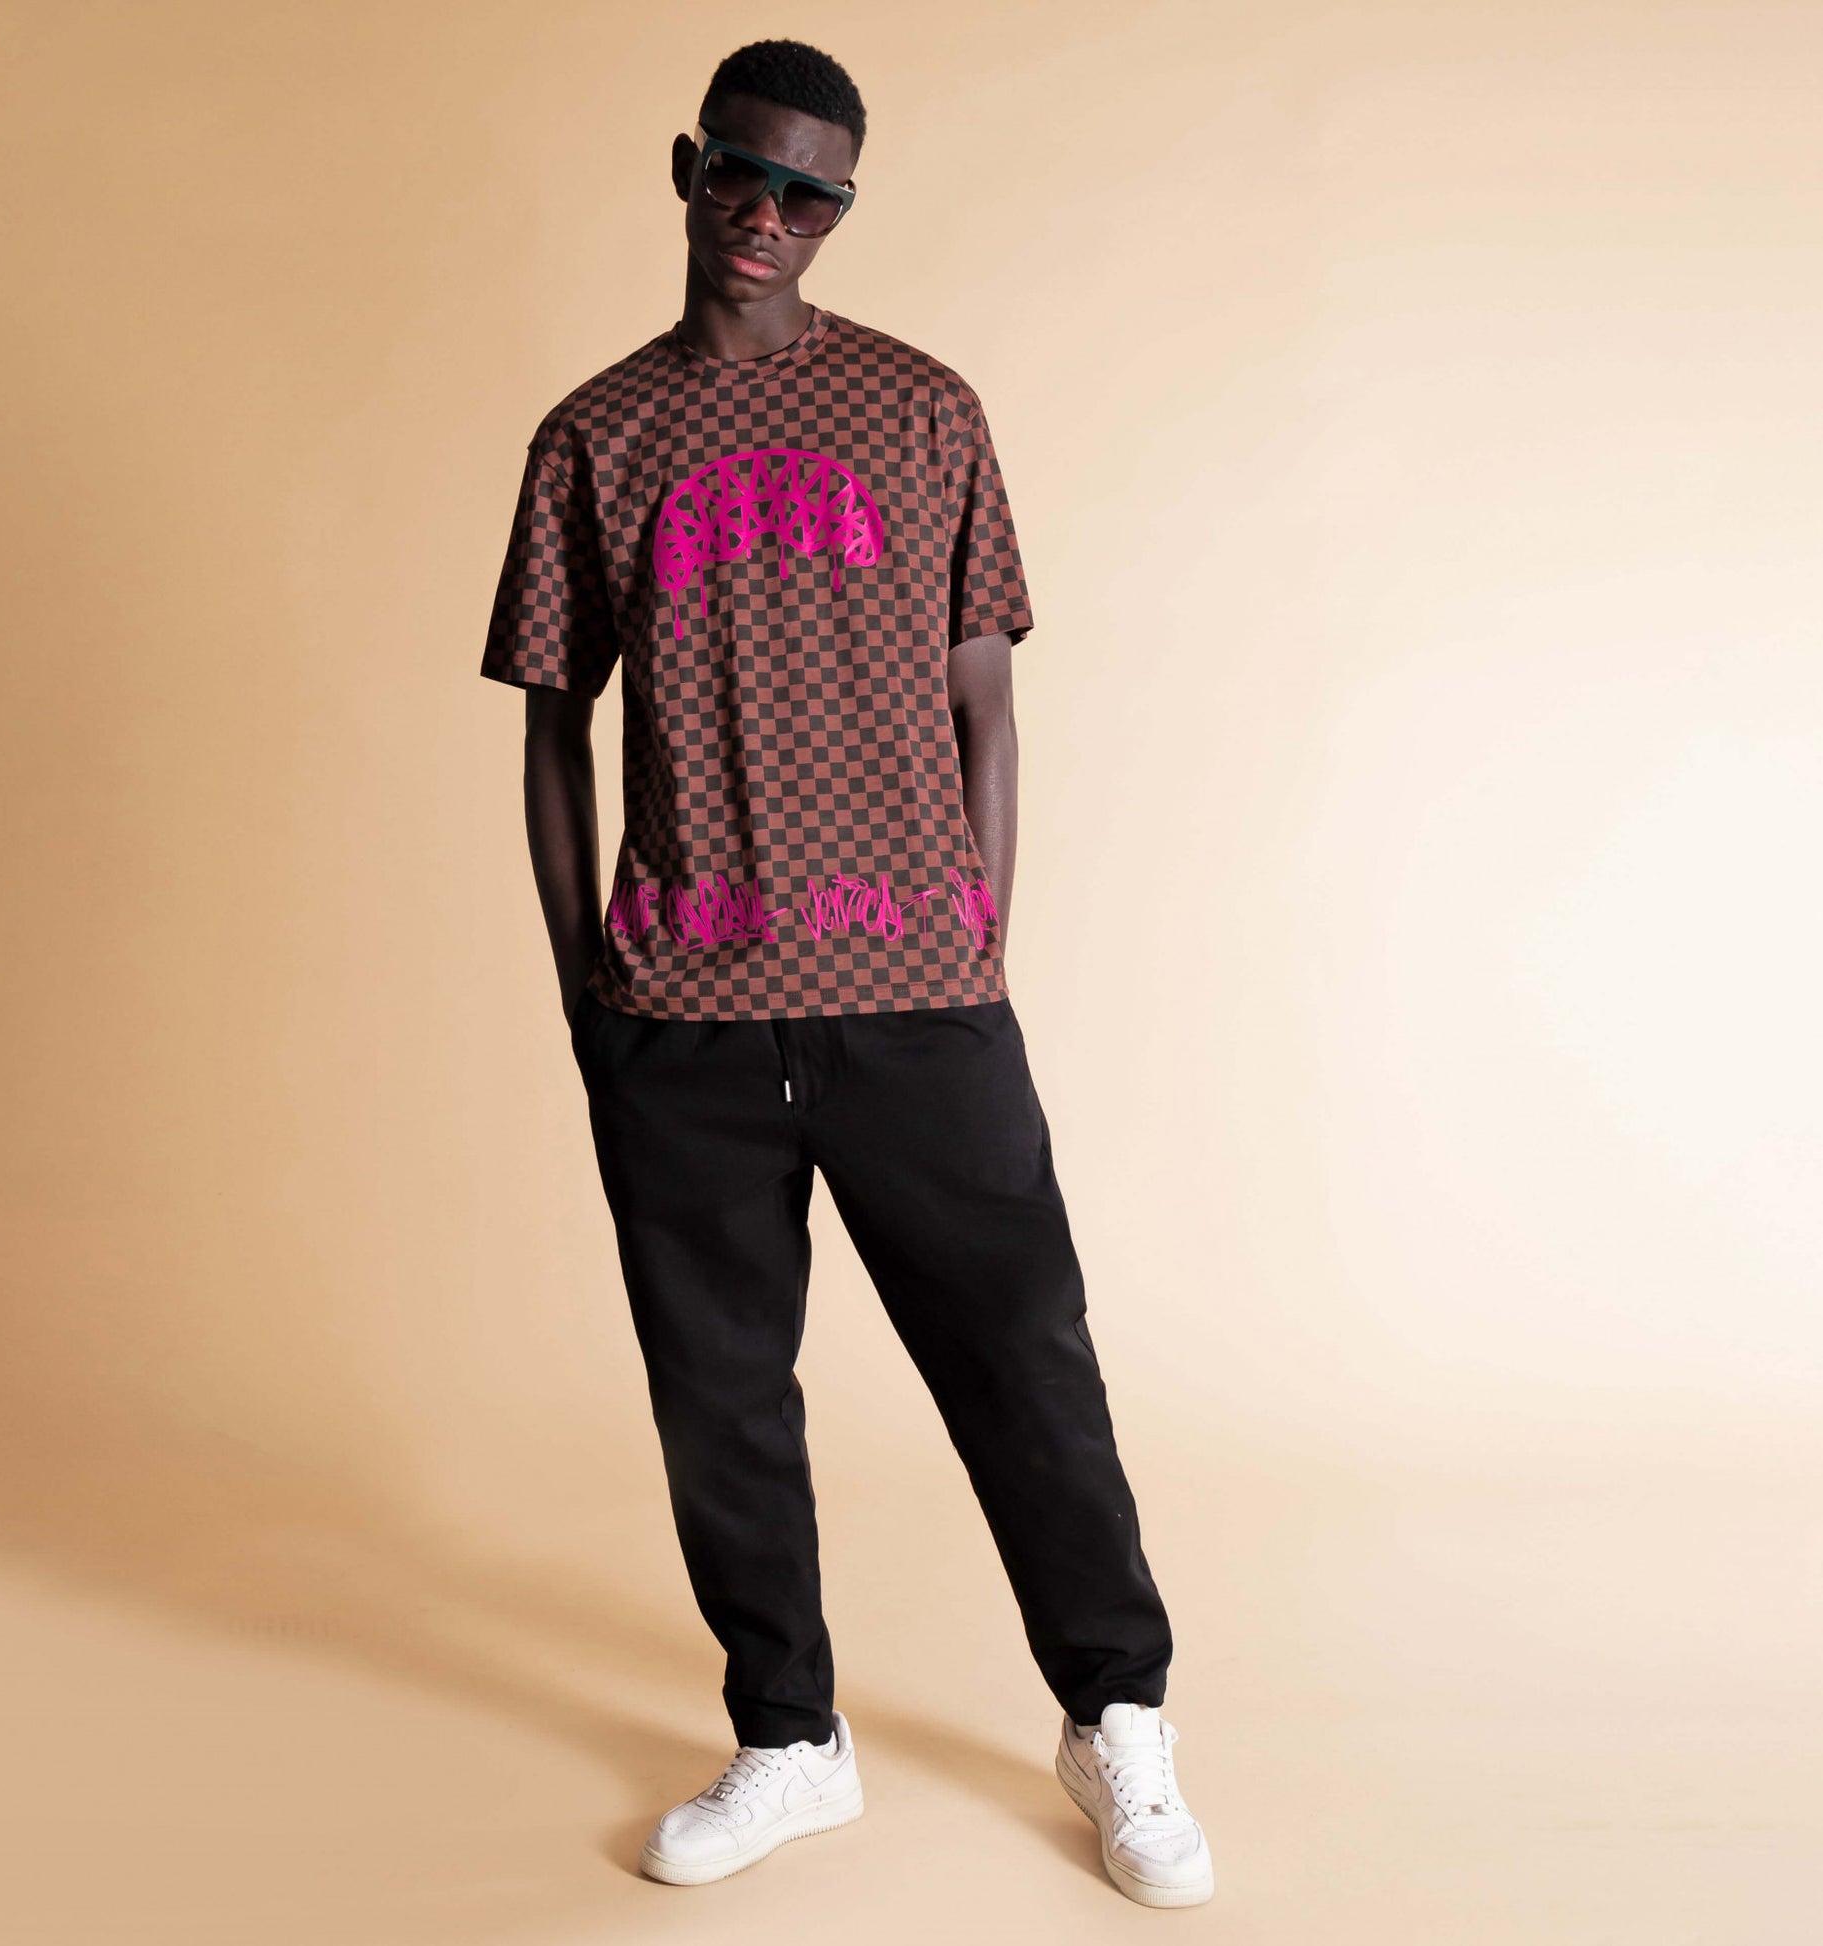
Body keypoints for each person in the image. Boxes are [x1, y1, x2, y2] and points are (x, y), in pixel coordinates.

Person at [479, 38, 1214, 1909]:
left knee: (1024, 1360)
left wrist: (979, 940)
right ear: (687, 168)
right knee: (719, 1391)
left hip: (913, 990)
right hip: (680, 1010)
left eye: (812, 193)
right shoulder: (594, 436)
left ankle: (1114, 1714)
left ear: (842, 210)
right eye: (742, 172)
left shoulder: (922, 409)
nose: (769, 214)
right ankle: (790, 1737)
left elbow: (987, 700)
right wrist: (585, 990)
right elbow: (553, 728)